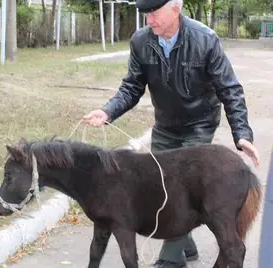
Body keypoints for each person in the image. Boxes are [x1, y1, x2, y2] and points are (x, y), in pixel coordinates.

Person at [82, 0, 259, 267]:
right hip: (165, 126)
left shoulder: (205, 40)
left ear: (175, 8)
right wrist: (107, 112)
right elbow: (132, 87)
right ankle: (185, 248)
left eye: (154, 13)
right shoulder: (141, 42)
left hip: (199, 124)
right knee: (162, 190)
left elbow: (230, 89)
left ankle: (170, 259)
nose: (148, 20)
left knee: (178, 189)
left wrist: (242, 134)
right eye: (146, 14)